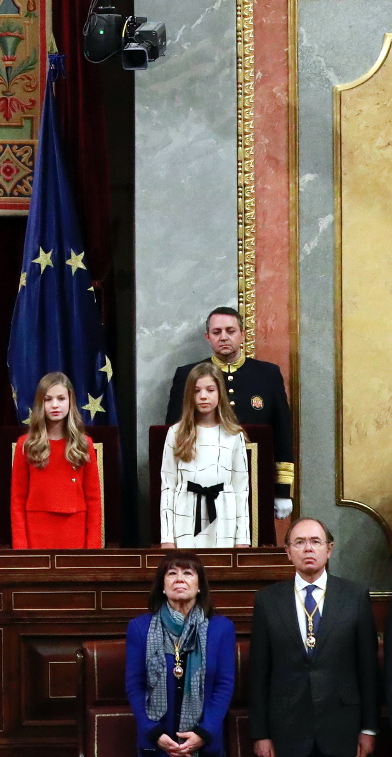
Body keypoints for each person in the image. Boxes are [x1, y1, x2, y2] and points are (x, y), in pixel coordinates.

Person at [250, 518, 377, 757]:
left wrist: (369, 729)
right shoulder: (268, 600)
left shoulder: (354, 596)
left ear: (329, 549)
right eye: (299, 542)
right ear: (288, 552)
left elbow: (367, 668)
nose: (308, 548)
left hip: (342, 727)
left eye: (316, 541)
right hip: (286, 730)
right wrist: (261, 733)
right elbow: (259, 672)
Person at [164, 307, 294, 520]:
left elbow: (282, 434)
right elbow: (174, 433)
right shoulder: (188, 374)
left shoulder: (267, 374)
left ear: (242, 334)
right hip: (201, 480)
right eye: (216, 332)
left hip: (255, 481)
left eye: (230, 331)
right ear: (208, 337)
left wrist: (282, 490)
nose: (223, 337)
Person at [124, 552, 236, 756]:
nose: (180, 579)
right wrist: (153, 732)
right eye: (172, 573)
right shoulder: (140, 628)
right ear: (163, 586)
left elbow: (224, 686)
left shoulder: (221, 628)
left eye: (188, 573)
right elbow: (135, 685)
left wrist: (203, 733)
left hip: (206, 743)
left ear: (200, 585)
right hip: (156, 743)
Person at [159, 363, 251, 549]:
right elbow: (168, 486)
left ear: (220, 393)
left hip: (224, 514)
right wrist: (167, 537)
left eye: (210, 390)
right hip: (185, 513)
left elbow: (241, 489)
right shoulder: (176, 433)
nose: (203, 396)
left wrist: (242, 539)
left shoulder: (234, 435)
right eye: (196, 391)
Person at [10, 372, 102, 549]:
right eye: (48, 399)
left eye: (61, 398)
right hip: (36, 531)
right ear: (40, 403)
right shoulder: (26, 444)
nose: (55, 405)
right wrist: (21, 548)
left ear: (70, 402)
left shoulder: (84, 444)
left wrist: (92, 549)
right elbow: (17, 499)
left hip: (74, 531)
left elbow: (93, 500)